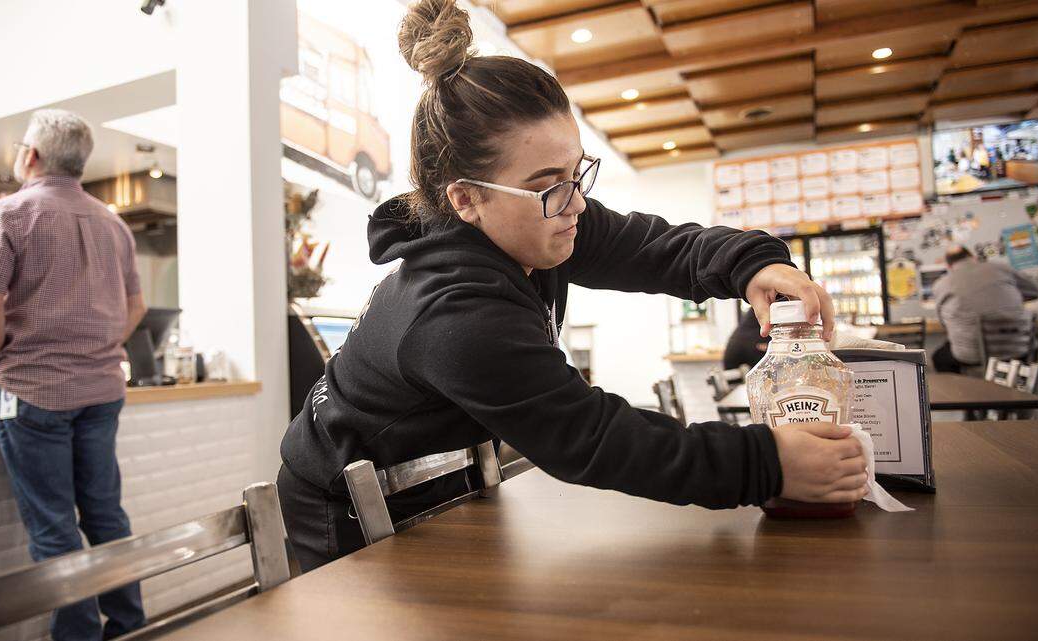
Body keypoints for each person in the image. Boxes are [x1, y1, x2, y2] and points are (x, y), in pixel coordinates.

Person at [277, 0, 867, 572]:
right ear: (465, 199)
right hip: (344, 498)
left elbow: (656, 247)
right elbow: (589, 436)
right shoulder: (453, 314)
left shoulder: (542, 222)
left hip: (442, 467)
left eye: (577, 170)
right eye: (549, 183)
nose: (577, 201)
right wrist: (767, 464)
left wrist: (752, 265)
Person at [0, 109, 147, 641]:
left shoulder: (8, 214)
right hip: (101, 391)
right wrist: (100, 346)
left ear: (31, 155)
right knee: (106, 516)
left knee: (53, 528)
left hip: (31, 391)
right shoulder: (113, 222)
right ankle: (129, 626)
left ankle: (78, 637)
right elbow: (136, 307)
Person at [931, 245, 1038, 372]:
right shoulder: (1000, 268)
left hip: (972, 354)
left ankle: (961, 391)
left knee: (940, 358)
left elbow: (944, 323)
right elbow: (1036, 291)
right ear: (973, 257)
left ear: (949, 266)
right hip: (1019, 348)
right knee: (1034, 340)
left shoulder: (942, 284)